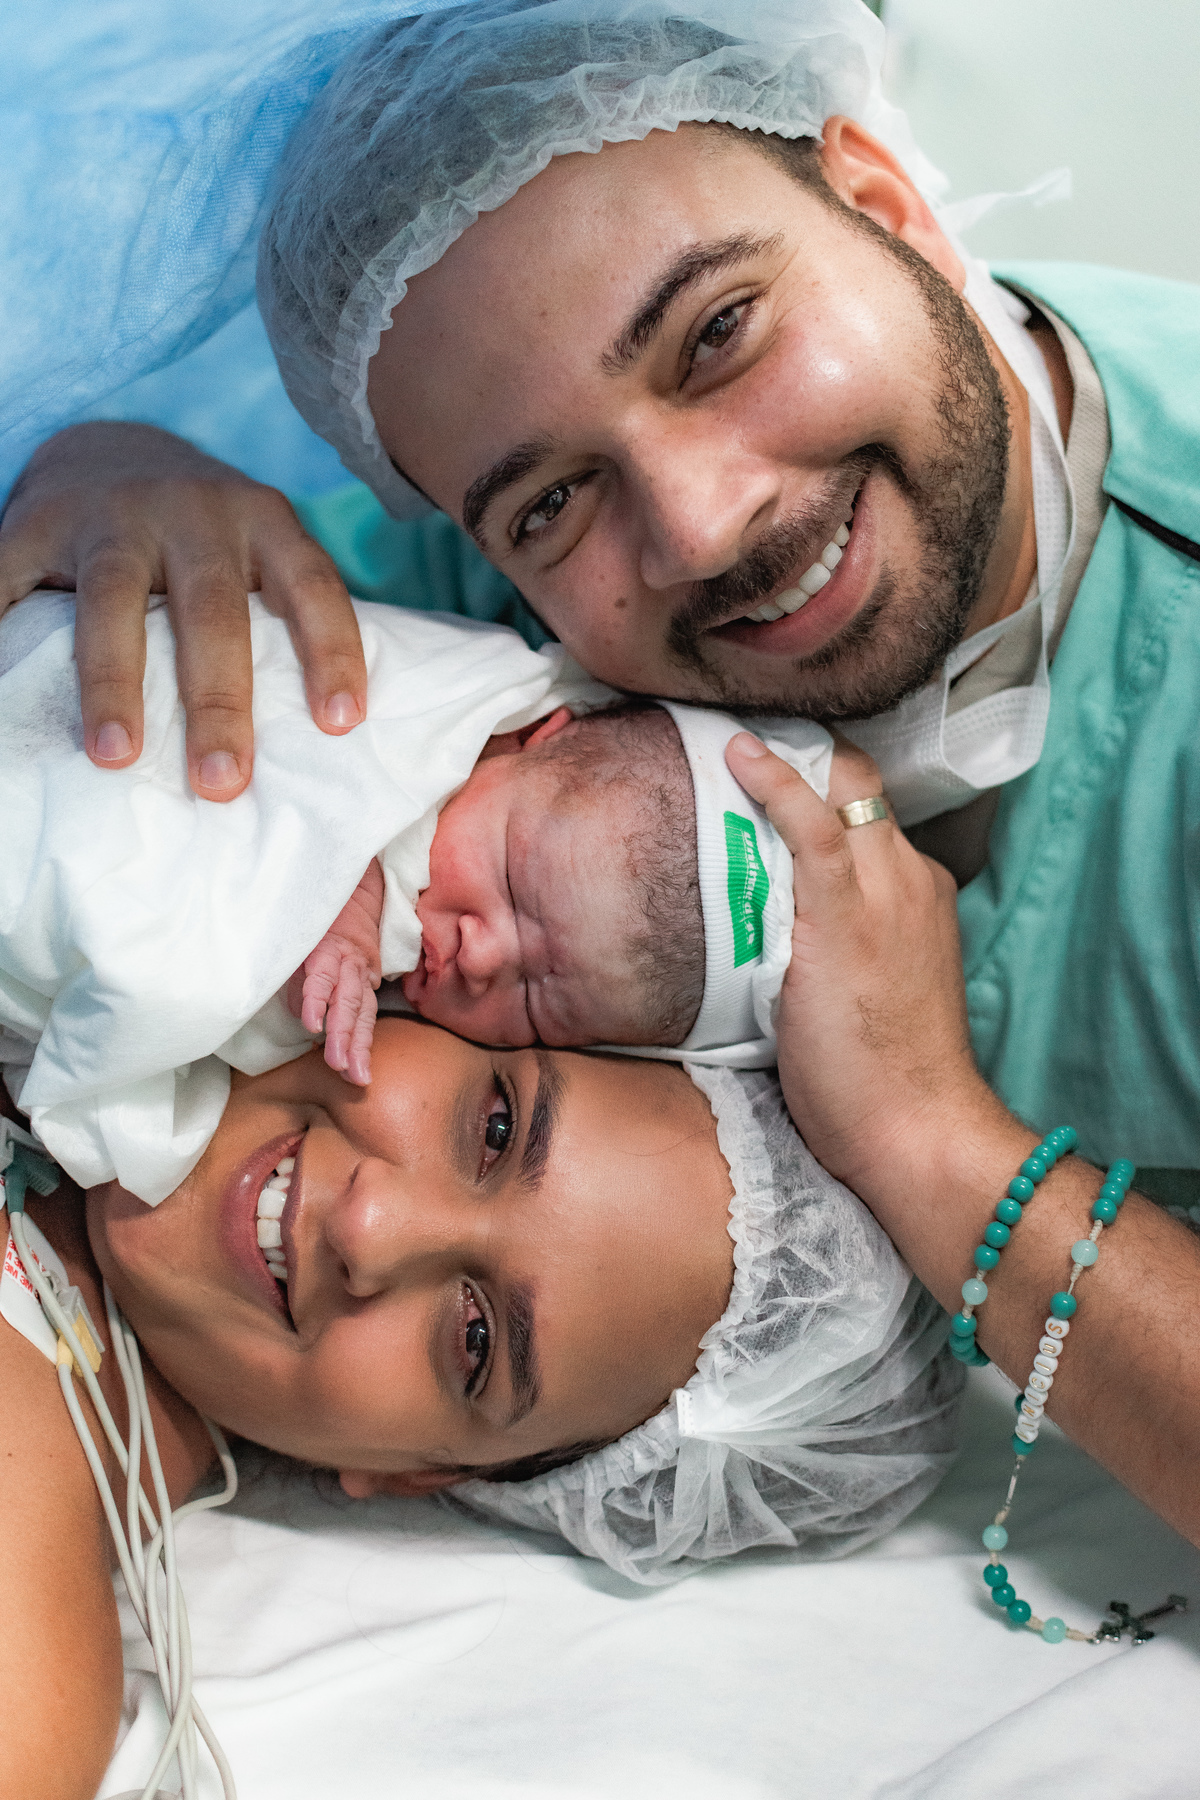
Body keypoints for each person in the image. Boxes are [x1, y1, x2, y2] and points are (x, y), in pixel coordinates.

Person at [5, 0, 1197, 1197]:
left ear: (887, 207)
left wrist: (930, 1142)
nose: (695, 525)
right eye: (547, 505)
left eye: (718, 334)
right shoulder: (479, 605)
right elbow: (195, 644)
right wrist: (101, 470)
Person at [1, 1013, 959, 1798]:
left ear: (423, 1473)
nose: (370, 1223)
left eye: (475, 1343)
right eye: (498, 1129)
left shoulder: (27, 1699)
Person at [2, 588, 832, 1217]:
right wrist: (344, 909)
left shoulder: (416, 1015)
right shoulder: (447, 712)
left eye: (539, 1001)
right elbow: (331, 774)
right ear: (534, 737)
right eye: (513, 883)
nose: (485, 952)